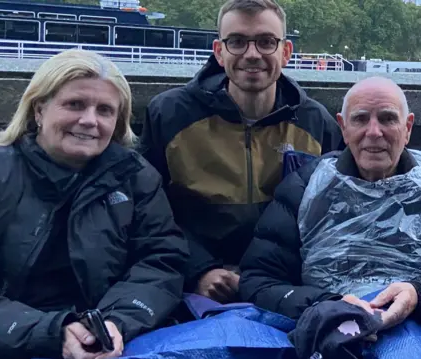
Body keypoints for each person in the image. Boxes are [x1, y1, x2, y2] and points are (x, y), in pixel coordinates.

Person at [0, 49, 189, 359]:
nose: (89, 120)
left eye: (105, 110)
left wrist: (113, 323)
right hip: (6, 342)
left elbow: (161, 260)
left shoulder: (136, 178)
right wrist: (56, 332)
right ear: (38, 110)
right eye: (75, 105)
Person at [239, 76, 421, 358]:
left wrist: (420, 294)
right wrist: (327, 304)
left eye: (387, 119)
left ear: (407, 128)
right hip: (327, 329)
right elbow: (259, 280)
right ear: (343, 128)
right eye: (360, 119)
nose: (374, 132)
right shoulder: (303, 189)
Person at [141, 0, 343, 303]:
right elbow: (148, 211)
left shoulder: (316, 123)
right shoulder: (169, 115)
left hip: (282, 284)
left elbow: (333, 215)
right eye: (237, 41)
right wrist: (198, 270)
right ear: (219, 52)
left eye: (265, 42)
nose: (252, 54)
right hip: (192, 284)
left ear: (285, 52)